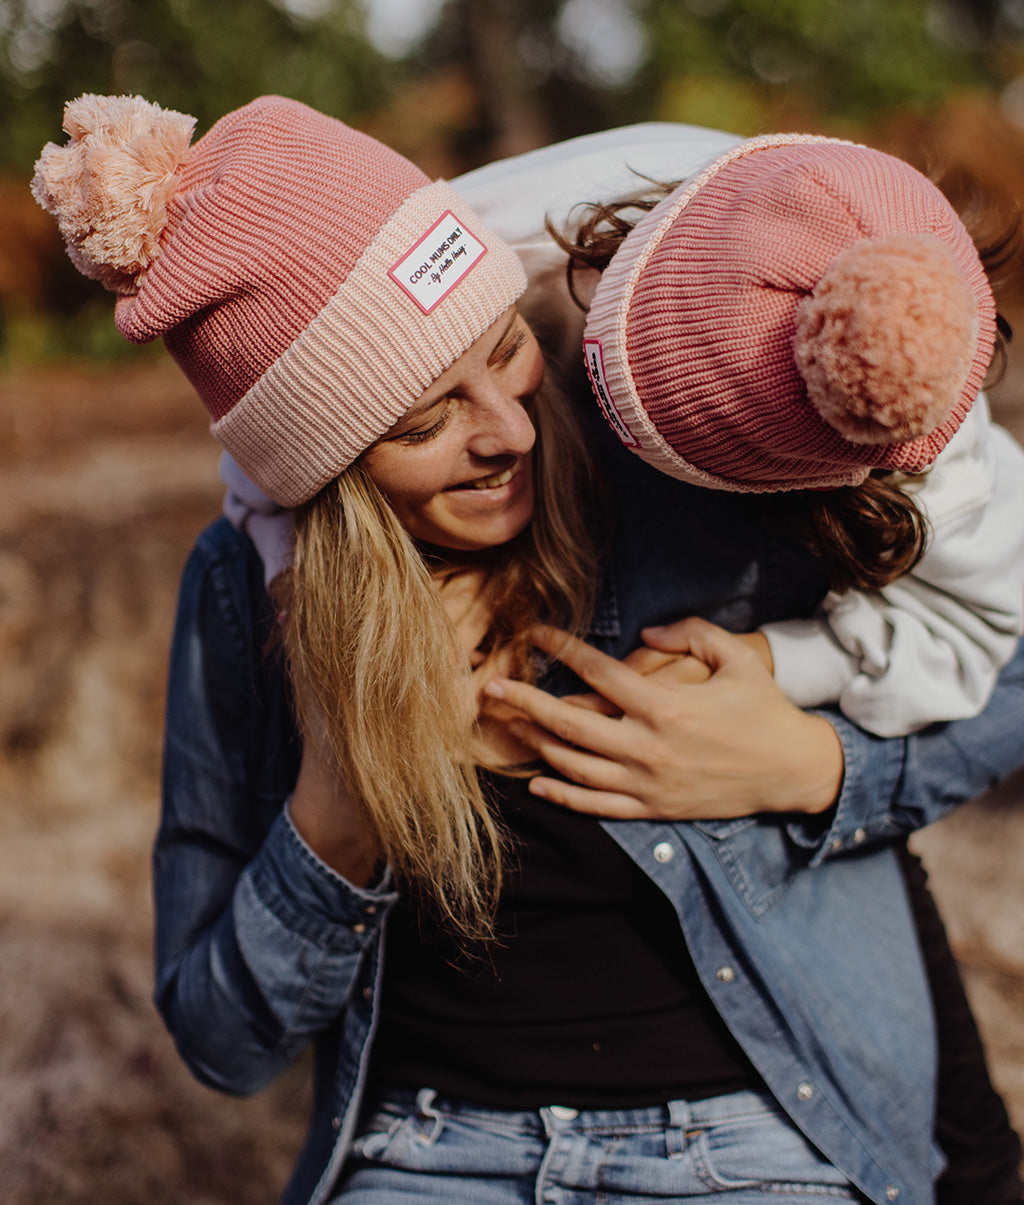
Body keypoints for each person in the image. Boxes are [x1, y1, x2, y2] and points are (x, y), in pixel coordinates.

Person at [32, 96, 1024, 1205]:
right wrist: (343, 802)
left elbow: (1007, 655)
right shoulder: (244, 589)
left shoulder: (691, 455)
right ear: (327, 471)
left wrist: (815, 766)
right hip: (427, 1152)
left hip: (750, 1137)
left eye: (503, 350)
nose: (505, 430)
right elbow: (225, 1039)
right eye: (419, 424)